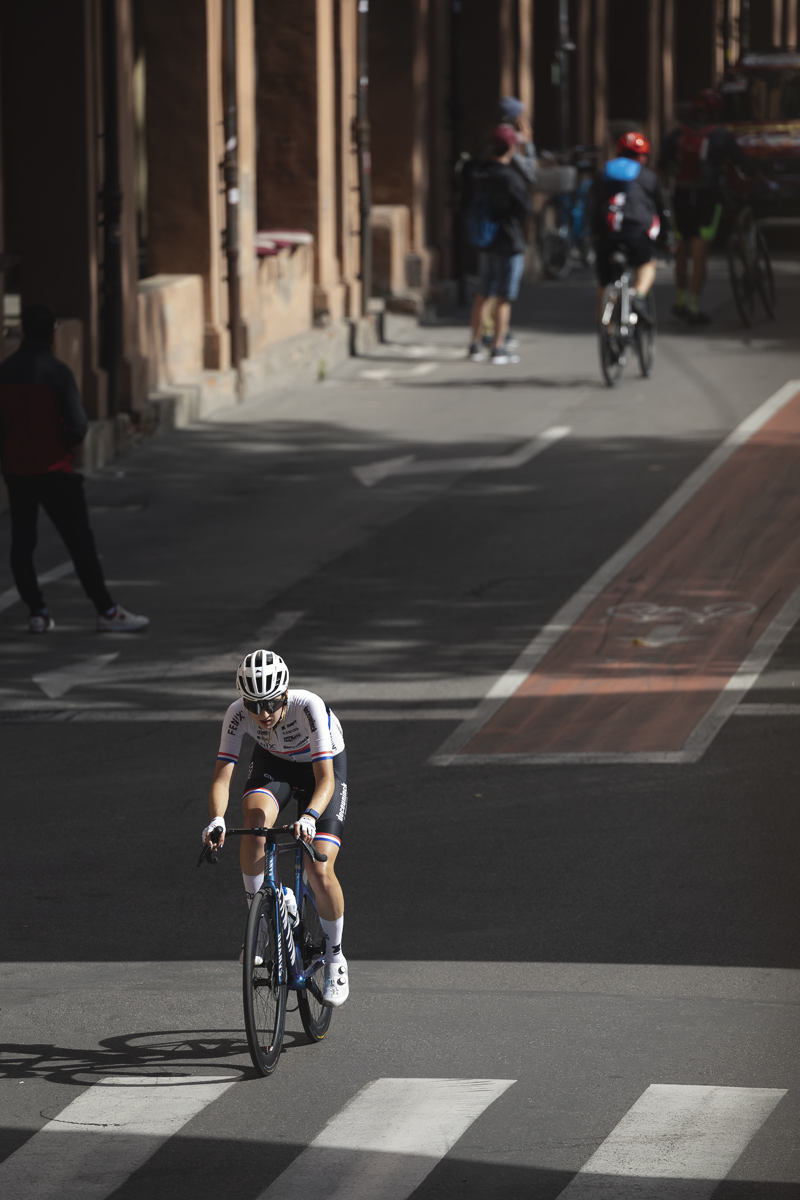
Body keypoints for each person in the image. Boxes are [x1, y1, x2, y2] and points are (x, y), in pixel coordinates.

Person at [202, 649, 349, 1008]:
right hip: (275, 765)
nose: (263, 714)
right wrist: (217, 819)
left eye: (270, 703)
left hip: (321, 769)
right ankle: (265, 921)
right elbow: (223, 777)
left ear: (284, 695)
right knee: (253, 824)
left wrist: (309, 817)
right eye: (254, 705)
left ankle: (335, 958)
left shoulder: (308, 706)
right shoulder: (237, 715)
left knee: (319, 868)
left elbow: (325, 780)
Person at [0, 303, 149, 633]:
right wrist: (63, 441)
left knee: (22, 543)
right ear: (52, 332)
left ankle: (37, 611)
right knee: (79, 543)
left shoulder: (5, 371)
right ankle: (106, 610)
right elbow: (79, 426)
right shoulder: (58, 372)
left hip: (17, 470)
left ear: (24, 330)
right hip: (55, 468)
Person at [658, 90, 753, 324]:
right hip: (708, 197)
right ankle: (694, 307)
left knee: (682, 250)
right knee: (700, 253)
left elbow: (661, 165)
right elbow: (743, 164)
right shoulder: (720, 135)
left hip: (681, 194)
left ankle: (680, 301)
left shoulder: (677, 134)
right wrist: (759, 177)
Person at [467, 125, 532, 365]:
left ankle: (474, 344)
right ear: (512, 147)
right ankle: (498, 347)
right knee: (504, 296)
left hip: (485, 237)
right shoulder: (508, 176)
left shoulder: (478, 171)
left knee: (483, 291)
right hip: (508, 238)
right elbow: (525, 208)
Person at [592, 131, 671, 324]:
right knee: (647, 264)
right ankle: (639, 297)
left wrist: (593, 236)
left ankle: (606, 333)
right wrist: (667, 238)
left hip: (606, 235)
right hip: (636, 233)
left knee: (605, 285)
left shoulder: (603, 173)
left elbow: (593, 206)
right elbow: (663, 210)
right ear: (643, 156)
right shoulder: (648, 176)